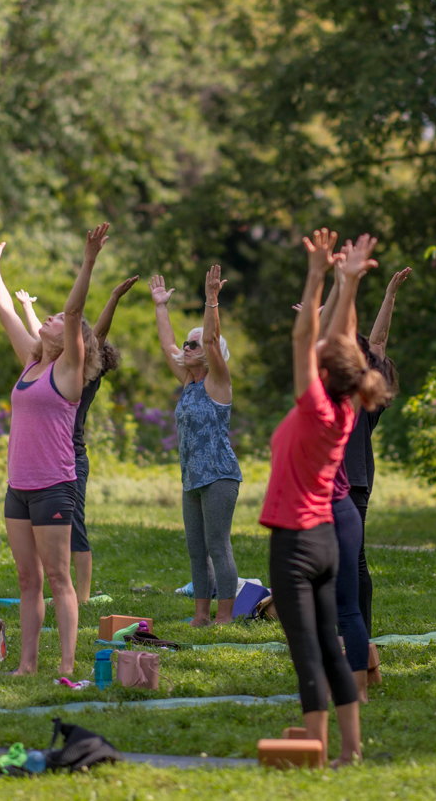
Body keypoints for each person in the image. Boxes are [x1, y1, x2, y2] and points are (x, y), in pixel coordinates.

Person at [261, 228, 392, 768]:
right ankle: (351, 750)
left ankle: (313, 753)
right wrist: (350, 281)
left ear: (321, 371)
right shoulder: (345, 408)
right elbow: (340, 338)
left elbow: (304, 338)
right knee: (331, 645)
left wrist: (319, 275)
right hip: (325, 542)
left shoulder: (315, 406)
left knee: (308, 651)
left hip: (294, 545)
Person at [0, 223, 109, 675]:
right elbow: (4, 306)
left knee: (58, 579)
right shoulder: (31, 362)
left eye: (54, 320)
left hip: (54, 487)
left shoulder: (69, 371)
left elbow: (72, 313)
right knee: (27, 580)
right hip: (19, 487)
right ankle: (27, 666)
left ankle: (66, 667)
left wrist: (88, 261)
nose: (47, 318)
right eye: (44, 319)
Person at [20, 278, 141, 607]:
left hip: (70, 456)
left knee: (76, 525)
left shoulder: (81, 374)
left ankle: (83, 596)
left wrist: (114, 296)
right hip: (52, 456)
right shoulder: (57, 366)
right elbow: (42, 340)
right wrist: (28, 307)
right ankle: (63, 589)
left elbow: (97, 332)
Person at [150, 266, 244, 626]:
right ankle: (201, 615)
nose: (185, 348)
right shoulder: (188, 382)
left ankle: (225, 616)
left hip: (220, 476)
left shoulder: (218, 382)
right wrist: (161, 306)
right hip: (192, 478)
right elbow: (165, 344)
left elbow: (208, 339)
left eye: (192, 344)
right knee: (196, 550)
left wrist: (211, 301)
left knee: (218, 545)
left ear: (209, 353)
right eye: (186, 343)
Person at [341, 266, 410, 636]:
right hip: (330, 482)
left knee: (354, 558)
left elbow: (379, 342)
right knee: (335, 560)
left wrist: (389, 296)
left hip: (353, 483)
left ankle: (359, 630)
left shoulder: (368, 399)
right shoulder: (338, 389)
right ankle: (342, 627)